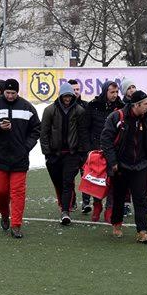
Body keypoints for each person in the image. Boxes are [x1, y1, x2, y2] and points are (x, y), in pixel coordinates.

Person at [0, 78, 41, 239]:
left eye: (13, 93)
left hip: (19, 158)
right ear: (4, 91)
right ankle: (5, 214)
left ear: (17, 92)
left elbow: (36, 129)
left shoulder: (27, 107)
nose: (10, 96)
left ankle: (16, 225)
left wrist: (26, 147)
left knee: (18, 193)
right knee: (0, 191)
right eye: (7, 93)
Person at [100, 90, 147, 243]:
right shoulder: (117, 117)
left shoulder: (146, 118)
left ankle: (142, 232)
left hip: (140, 165)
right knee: (119, 197)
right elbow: (106, 140)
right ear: (136, 105)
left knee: (140, 199)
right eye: (145, 104)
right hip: (121, 166)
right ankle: (116, 224)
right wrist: (113, 162)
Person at [40, 82, 89, 225]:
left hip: (71, 154)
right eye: (65, 96)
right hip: (54, 154)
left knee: (67, 182)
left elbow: (82, 133)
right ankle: (68, 202)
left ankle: (65, 211)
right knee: (58, 182)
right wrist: (47, 153)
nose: (67, 99)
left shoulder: (79, 111)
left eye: (69, 96)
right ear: (60, 96)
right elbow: (44, 133)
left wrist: (82, 154)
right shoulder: (49, 110)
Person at [85, 80, 124, 220]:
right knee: (97, 180)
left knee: (113, 180)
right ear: (105, 91)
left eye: (116, 92)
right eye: (112, 92)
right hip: (97, 150)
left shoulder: (121, 107)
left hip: (114, 150)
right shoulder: (93, 105)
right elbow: (85, 128)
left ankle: (109, 208)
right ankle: (97, 205)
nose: (115, 95)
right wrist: (89, 149)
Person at [67, 79, 91, 212]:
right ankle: (72, 200)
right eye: (73, 90)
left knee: (85, 175)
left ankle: (86, 203)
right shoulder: (63, 107)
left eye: (77, 89)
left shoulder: (86, 106)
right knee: (69, 177)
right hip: (69, 148)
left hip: (84, 148)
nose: (76, 92)